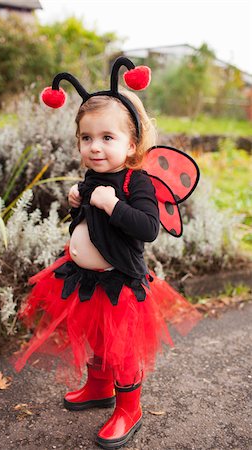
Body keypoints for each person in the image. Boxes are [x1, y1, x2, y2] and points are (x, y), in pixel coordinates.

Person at [14, 57, 202, 449]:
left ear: (131, 144)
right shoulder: (93, 178)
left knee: (122, 347)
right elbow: (89, 227)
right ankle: (99, 387)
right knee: (96, 338)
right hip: (86, 279)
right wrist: (77, 204)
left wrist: (111, 204)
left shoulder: (139, 181)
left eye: (107, 138)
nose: (95, 147)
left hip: (121, 283)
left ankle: (128, 408)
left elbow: (147, 228)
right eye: (87, 138)